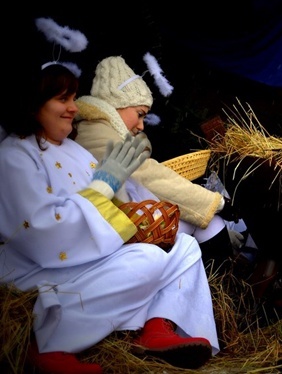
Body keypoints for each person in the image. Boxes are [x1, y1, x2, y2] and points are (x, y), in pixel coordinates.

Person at [0, 63, 219, 373]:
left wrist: (138, 220)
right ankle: (49, 342)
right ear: (33, 102)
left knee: (184, 247)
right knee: (146, 261)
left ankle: (157, 326)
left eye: (73, 98)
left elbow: (111, 207)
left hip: (90, 255)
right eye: (63, 99)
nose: (73, 108)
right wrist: (104, 186)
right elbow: (40, 230)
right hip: (40, 268)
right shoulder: (13, 155)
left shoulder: (76, 151)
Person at [73, 56, 247, 270]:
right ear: (117, 104)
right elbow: (149, 175)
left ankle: (221, 287)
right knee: (209, 222)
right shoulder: (99, 134)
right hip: (121, 235)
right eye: (139, 114)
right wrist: (216, 203)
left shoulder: (100, 130)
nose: (141, 125)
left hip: (126, 225)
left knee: (208, 224)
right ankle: (224, 288)